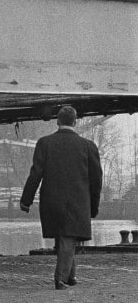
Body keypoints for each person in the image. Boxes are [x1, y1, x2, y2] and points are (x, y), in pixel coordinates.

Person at [19, 105, 103, 289]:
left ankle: (71, 276)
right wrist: (94, 206)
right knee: (69, 236)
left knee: (63, 236)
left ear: (57, 121)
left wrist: (26, 200)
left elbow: (36, 174)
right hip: (78, 201)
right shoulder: (88, 146)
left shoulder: (44, 143)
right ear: (75, 121)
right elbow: (96, 180)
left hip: (51, 200)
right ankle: (61, 279)